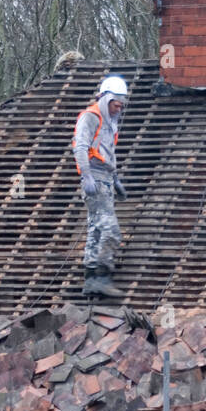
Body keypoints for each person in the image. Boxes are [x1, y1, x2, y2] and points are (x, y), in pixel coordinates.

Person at [71, 74, 128, 299]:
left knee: (96, 230)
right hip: (94, 178)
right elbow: (80, 147)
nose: (119, 108)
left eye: (122, 105)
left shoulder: (110, 124)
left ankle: (91, 279)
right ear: (106, 98)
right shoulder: (91, 116)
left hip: (105, 178)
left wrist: (116, 180)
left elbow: (107, 154)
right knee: (111, 231)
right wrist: (86, 176)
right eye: (116, 104)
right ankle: (102, 277)